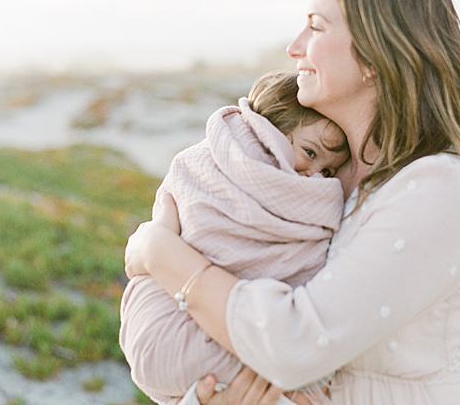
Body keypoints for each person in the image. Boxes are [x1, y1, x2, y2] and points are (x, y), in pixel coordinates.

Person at [124, 0, 460, 405]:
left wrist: (161, 252)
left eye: (316, 27)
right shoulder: (311, 174)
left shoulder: (439, 186)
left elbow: (294, 345)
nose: (294, 46)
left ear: (375, 54)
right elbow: (235, 314)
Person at [120, 70, 350, 405]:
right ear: (267, 132)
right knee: (304, 383)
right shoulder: (220, 161)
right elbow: (186, 207)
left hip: (160, 337)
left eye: (329, 172)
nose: (315, 176)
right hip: (167, 320)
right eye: (311, 153)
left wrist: (157, 247)